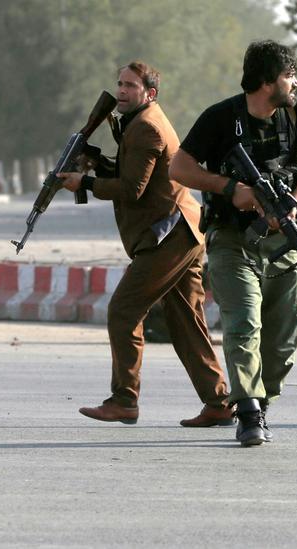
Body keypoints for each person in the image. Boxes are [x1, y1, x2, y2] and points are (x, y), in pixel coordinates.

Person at [58, 61, 232, 427]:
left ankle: (124, 400)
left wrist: (84, 184)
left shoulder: (146, 128)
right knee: (185, 320)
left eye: (130, 86)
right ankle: (218, 402)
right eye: (119, 84)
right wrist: (97, 163)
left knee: (123, 311)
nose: (121, 91)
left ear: (149, 93)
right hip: (181, 230)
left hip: (168, 235)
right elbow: (137, 176)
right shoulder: (137, 123)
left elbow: (132, 190)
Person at [169, 40, 297, 446]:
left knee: (284, 338)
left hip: (284, 242)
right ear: (266, 81)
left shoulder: (293, 114)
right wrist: (230, 188)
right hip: (233, 240)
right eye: (290, 76)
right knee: (243, 325)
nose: (296, 83)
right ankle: (248, 410)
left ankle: (263, 400)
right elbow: (180, 166)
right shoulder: (221, 118)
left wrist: (292, 201)